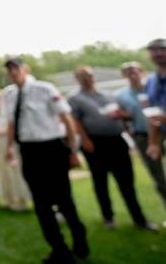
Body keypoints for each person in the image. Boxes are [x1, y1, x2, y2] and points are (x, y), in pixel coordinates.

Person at [2, 58, 88, 264]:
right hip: (29, 151)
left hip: (52, 148)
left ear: (25, 69)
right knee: (41, 204)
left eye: (16, 68)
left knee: (64, 199)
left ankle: (80, 240)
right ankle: (59, 249)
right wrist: (9, 147)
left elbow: (66, 118)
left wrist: (73, 150)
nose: (13, 73)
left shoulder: (44, 88)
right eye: (9, 70)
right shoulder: (9, 94)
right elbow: (12, 123)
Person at [68, 66, 154, 230]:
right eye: (82, 76)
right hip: (94, 144)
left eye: (89, 75)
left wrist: (121, 116)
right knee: (101, 182)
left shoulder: (109, 95)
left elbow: (126, 114)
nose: (87, 79)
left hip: (117, 142)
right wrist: (85, 140)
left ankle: (139, 219)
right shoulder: (75, 98)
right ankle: (108, 218)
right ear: (77, 79)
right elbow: (74, 120)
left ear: (94, 76)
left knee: (127, 183)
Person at [116, 62, 166, 212]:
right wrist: (125, 121)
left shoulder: (154, 85)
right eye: (128, 72)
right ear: (124, 75)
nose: (133, 74)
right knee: (158, 176)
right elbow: (123, 117)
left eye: (135, 71)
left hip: (163, 131)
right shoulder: (121, 95)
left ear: (142, 72)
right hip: (143, 137)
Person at [0, 90, 30, 211]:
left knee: (14, 170)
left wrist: (1, 132)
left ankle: (21, 199)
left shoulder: (11, 113)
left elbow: (14, 128)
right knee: (1, 170)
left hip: (9, 142)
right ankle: (8, 197)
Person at [145, 39, 166, 161]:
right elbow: (152, 113)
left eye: (162, 49)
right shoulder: (151, 81)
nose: (158, 53)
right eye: (153, 50)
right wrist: (153, 142)